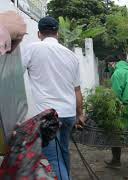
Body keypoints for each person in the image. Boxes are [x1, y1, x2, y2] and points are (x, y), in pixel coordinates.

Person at [22, 16, 85, 180]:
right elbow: (77, 90)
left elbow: (13, 75)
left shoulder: (32, 49)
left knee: (53, 159)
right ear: (57, 33)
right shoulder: (71, 55)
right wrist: (80, 114)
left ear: (39, 34)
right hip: (69, 115)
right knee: (63, 152)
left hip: (48, 117)